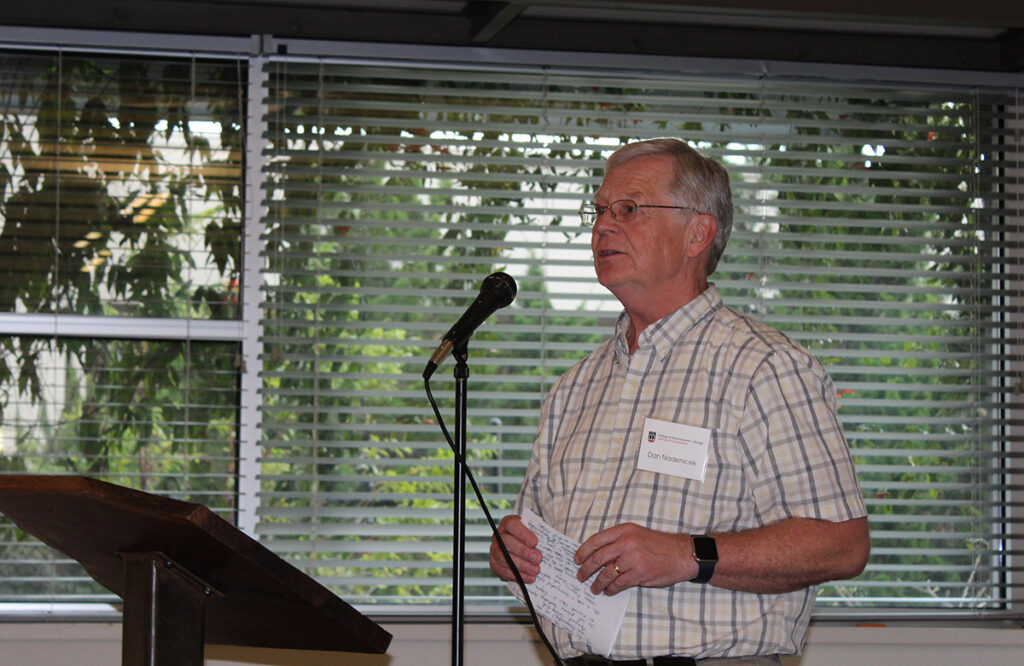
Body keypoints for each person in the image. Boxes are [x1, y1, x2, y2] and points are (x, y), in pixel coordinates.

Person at [489, 138, 870, 665]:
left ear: (698, 233)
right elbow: (543, 556)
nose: (602, 226)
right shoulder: (571, 390)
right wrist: (519, 558)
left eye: (629, 209)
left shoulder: (764, 368)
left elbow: (842, 544)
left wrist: (689, 555)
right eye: (598, 210)